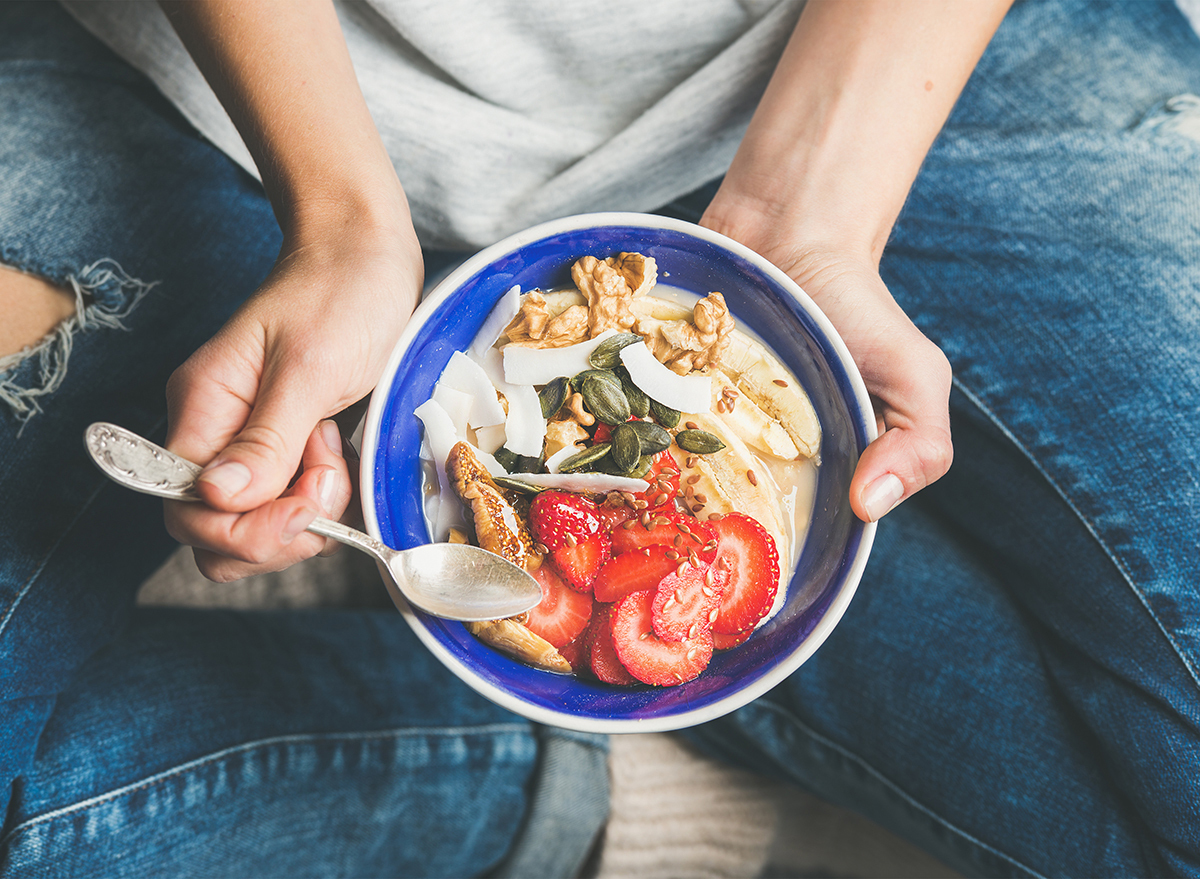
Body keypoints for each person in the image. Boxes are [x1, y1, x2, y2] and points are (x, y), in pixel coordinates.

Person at [1, 0, 1197, 875]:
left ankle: (767, 661)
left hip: (891, 69)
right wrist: (342, 219)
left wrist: (808, 212)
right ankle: (543, 771)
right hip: (235, 100)